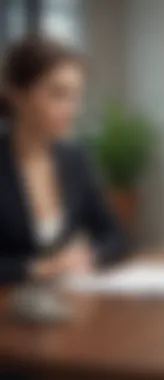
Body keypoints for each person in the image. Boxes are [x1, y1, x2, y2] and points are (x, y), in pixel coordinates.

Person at [0, 36, 128, 285]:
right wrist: (34, 268)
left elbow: (116, 236)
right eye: (58, 94)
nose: (74, 109)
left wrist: (88, 256)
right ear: (18, 95)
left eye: (76, 96)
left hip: (59, 308)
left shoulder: (75, 159)